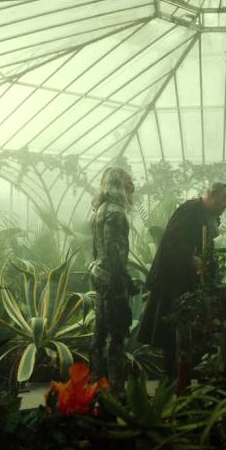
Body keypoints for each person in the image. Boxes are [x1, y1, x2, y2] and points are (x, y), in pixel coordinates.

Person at [137, 182, 226, 378]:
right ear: (211, 196)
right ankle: (172, 380)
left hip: (191, 283)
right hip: (176, 283)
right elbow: (172, 242)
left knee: (189, 332)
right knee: (174, 331)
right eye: (224, 199)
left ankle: (183, 376)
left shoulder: (210, 215)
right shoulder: (190, 210)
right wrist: (192, 258)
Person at [89, 166, 136, 393]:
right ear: (119, 184)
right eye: (129, 181)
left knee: (99, 335)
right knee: (117, 335)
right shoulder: (116, 212)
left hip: (100, 275)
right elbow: (115, 251)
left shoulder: (100, 210)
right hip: (113, 280)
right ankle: (116, 392)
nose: (133, 186)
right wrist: (126, 280)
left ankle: (97, 387)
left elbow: (96, 249)